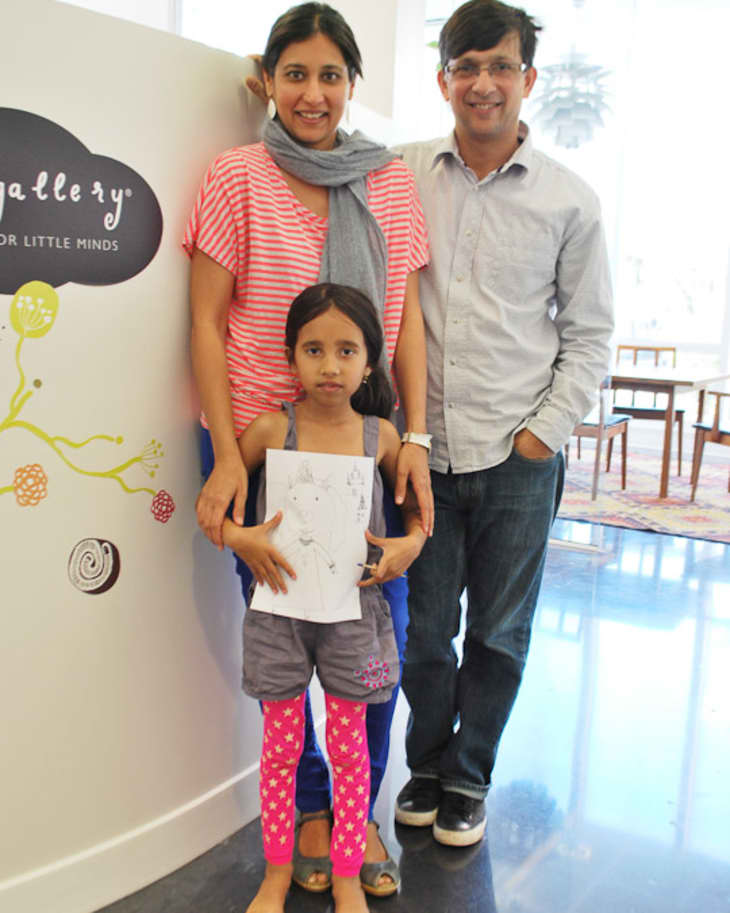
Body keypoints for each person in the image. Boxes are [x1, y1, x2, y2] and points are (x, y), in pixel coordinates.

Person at [184, 2, 432, 896]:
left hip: (369, 457)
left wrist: (417, 440)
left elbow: (403, 328)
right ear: (269, 78)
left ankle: (360, 818)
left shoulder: (392, 186)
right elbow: (208, 326)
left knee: (375, 646)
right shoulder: (235, 176)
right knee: (288, 650)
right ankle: (314, 815)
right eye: (297, 73)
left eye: (331, 75)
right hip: (263, 457)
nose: (314, 93)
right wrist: (224, 456)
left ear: (352, 85)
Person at [392, 0, 614, 847]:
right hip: (421, 451)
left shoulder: (571, 200)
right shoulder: (404, 171)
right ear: (443, 77)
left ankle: (468, 776)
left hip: (518, 457)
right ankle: (423, 762)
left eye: (500, 66)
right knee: (423, 633)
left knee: (498, 633)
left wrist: (541, 435)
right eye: (465, 66)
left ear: (528, 78)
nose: (482, 83)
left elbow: (590, 334)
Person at [228, 282, 427, 913]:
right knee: (280, 751)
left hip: (355, 621)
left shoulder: (382, 439)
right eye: (313, 349)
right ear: (291, 358)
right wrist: (241, 539)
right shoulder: (267, 431)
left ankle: (347, 876)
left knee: (351, 753)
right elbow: (220, 512)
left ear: (371, 361)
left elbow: (420, 521)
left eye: (347, 350)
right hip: (279, 618)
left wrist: (408, 547)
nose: (330, 365)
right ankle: (276, 872)